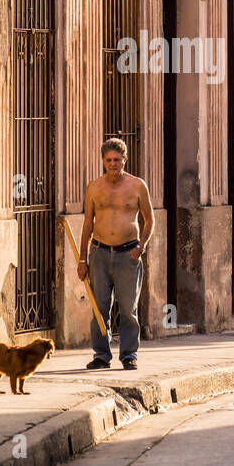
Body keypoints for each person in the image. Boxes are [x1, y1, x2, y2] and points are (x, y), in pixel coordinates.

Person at [78, 138, 154, 370]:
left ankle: (129, 355)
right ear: (103, 161)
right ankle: (101, 355)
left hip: (128, 253)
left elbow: (150, 219)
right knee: (99, 307)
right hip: (100, 253)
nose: (113, 164)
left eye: (117, 160)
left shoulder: (137, 185)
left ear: (125, 160)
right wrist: (83, 259)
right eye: (109, 160)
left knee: (128, 308)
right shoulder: (94, 187)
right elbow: (87, 224)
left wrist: (140, 247)